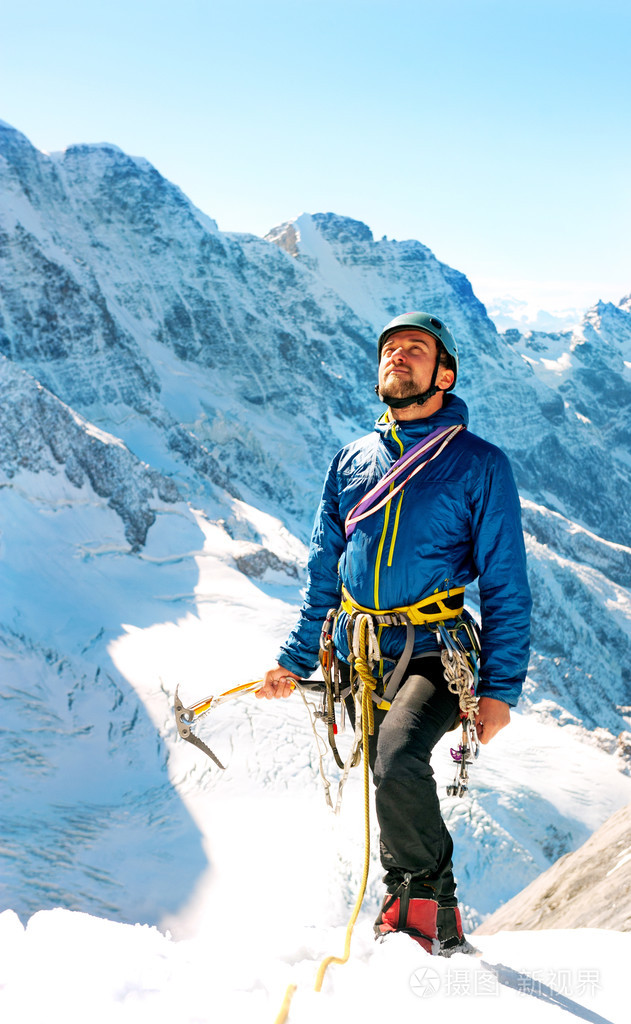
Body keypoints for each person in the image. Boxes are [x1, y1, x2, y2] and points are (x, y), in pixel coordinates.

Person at [257, 311, 531, 955]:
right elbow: (325, 569)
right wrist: (296, 660)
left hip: (437, 649)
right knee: (387, 773)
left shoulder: (480, 464)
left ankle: (427, 907)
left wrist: (501, 688)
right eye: (389, 350)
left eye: (415, 350)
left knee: (398, 757)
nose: (397, 358)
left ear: (446, 373)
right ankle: (413, 907)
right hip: (363, 652)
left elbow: (505, 582)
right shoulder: (352, 459)